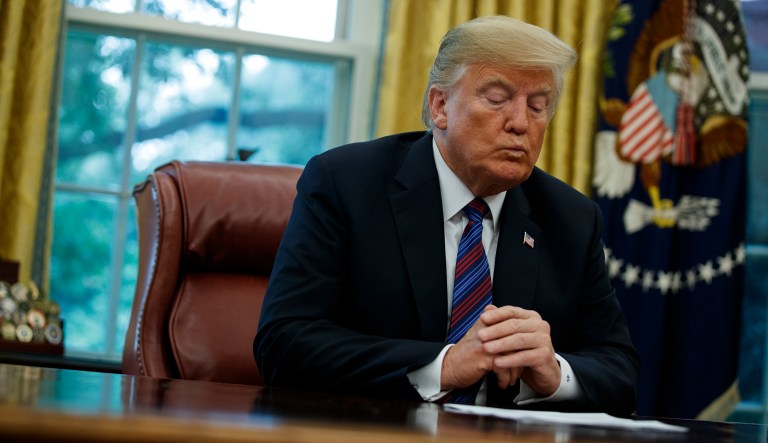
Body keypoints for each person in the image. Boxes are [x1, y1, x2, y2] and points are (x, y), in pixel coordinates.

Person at [254, 15, 639, 415]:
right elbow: (284, 343)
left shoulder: (571, 218)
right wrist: (445, 365)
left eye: (538, 105)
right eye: (496, 98)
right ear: (440, 106)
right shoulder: (346, 185)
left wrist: (555, 373)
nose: (520, 123)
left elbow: (620, 370)